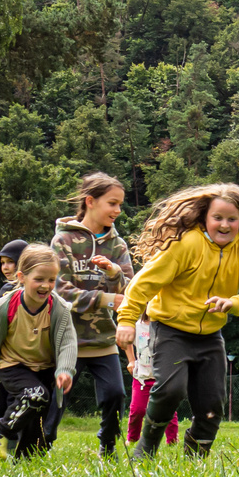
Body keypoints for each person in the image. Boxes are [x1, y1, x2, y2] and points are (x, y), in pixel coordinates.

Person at [113, 183, 239, 460]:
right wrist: (127, 320)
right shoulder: (186, 244)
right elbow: (143, 284)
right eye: (218, 218)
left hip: (211, 336)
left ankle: (195, 457)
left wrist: (234, 302)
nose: (224, 225)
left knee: (213, 404)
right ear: (205, 218)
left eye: (232, 219)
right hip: (171, 330)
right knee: (170, 390)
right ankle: (147, 446)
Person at [49, 172, 134, 457]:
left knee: (115, 395)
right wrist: (108, 299)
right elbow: (61, 291)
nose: (118, 211)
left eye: (120, 205)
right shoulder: (63, 240)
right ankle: (39, 445)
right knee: (56, 400)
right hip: (66, 339)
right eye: (112, 203)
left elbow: (130, 293)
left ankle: (108, 448)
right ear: (90, 201)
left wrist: (113, 272)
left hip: (102, 340)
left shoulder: (118, 246)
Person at [0, 244, 78, 460]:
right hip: (12, 364)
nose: (46, 285)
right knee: (36, 396)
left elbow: (69, 341)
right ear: (22, 277)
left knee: (37, 419)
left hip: (44, 368)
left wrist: (65, 370)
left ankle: (26, 459)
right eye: (39, 279)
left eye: (51, 280)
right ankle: (0, 432)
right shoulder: (4, 306)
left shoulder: (58, 309)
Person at [123, 316, 180, 446]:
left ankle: (172, 441)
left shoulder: (166, 325)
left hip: (163, 376)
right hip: (142, 377)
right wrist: (131, 360)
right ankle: (132, 439)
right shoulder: (137, 325)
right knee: (138, 410)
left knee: (168, 410)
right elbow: (126, 341)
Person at [0, 238, 28, 420]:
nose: (5, 267)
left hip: (29, 352)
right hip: (7, 353)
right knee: (4, 400)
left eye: (10, 262)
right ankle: (1, 438)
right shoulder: (6, 290)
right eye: (2, 263)